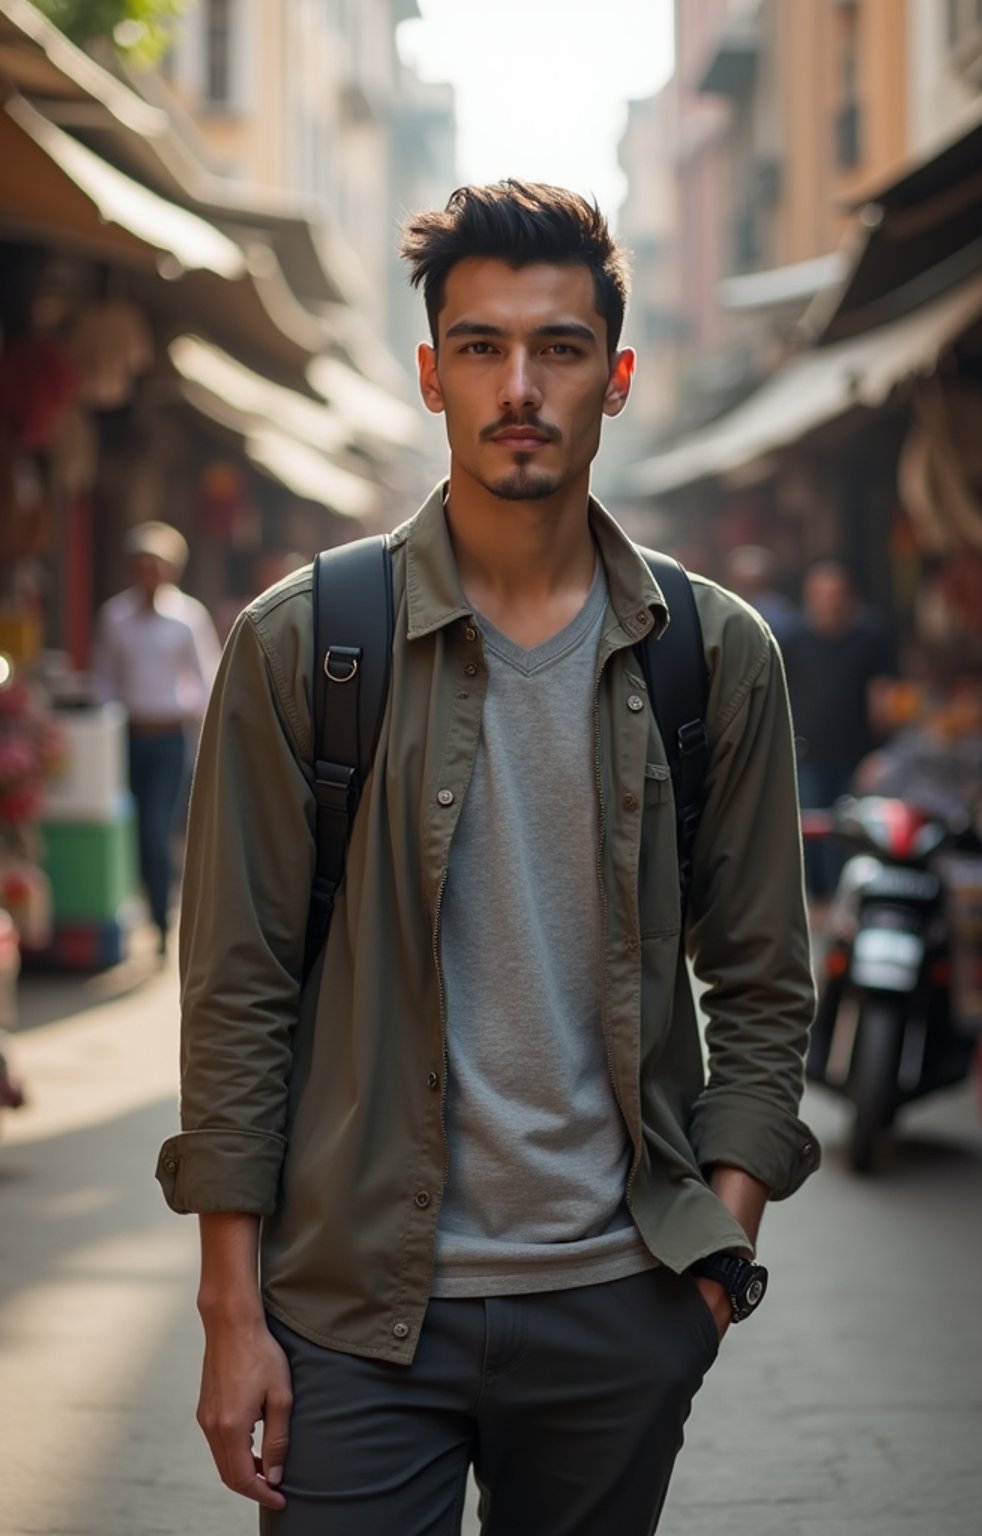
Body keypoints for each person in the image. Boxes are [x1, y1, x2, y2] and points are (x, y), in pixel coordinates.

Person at [157, 181, 820, 1535]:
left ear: (617, 378)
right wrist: (233, 1309)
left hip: (619, 1307)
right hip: (352, 1316)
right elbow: (237, 987)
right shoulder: (304, 645)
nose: (520, 386)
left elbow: (764, 982)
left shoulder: (716, 656)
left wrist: (715, 1252)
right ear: (430, 373)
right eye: (481, 347)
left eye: (560, 349)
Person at [93, 521, 220, 956]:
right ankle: (134, 911)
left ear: (171, 570)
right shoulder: (115, 616)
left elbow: (206, 679)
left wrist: (205, 730)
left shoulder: (188, 619)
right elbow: (104, 677)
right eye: (141, 564)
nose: (149, 573)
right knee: (127, 827)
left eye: (156, 565)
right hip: (128, 735)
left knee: (156, 828)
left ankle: (162, 922)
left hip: (170, 738)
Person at [780, 560, 898, 899]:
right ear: (809, 598)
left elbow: (883, 695)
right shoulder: (792, 638)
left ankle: (843, 906)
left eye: (836, 595)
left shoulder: (871, 635)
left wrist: (882, 752)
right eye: (821, 595)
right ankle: (811, 907)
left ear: (850, 597)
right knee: (808, 835)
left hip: (857, 757)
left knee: (849, 837)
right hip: (806, 755)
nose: (829, 602)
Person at [723, 544, 801, 641]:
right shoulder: (721, 607)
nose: (746, 590)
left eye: (752, 585)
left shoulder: (781, 616)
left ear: (766, 582)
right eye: (741, 584)